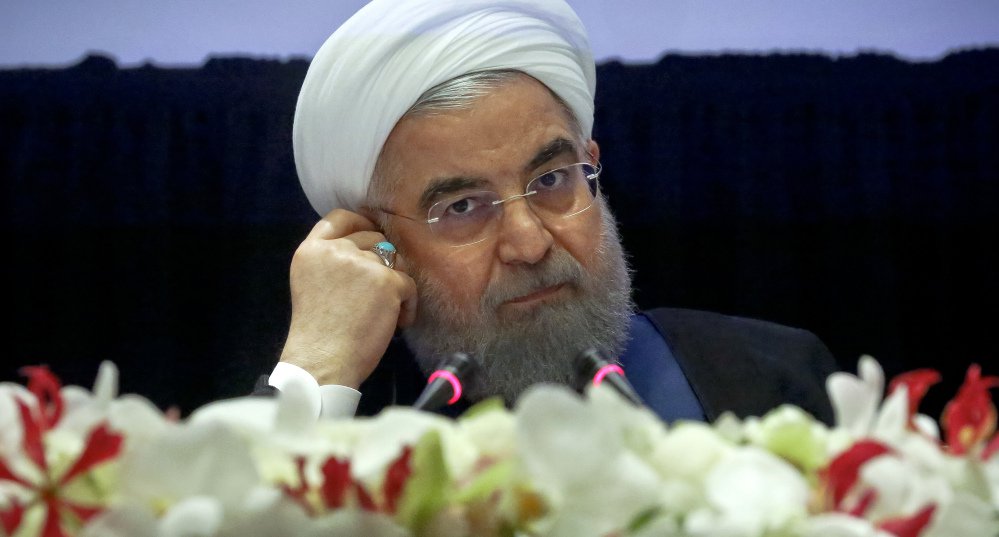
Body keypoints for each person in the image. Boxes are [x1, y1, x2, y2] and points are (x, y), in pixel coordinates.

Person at [258, 0, 838, 424]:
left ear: (591, 165)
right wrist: (315, 370)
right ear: (379, 245)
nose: (530, 243)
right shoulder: (356, 427)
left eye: (552, 179)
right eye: (461, 207)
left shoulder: (771, 379)